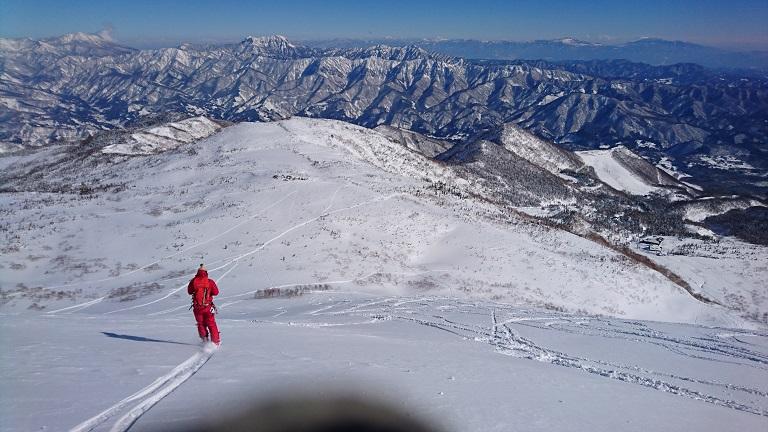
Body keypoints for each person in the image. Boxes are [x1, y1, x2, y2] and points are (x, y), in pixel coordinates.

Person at [188, 264, 220, 345]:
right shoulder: (210, 282)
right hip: (208, 306)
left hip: (197, 307)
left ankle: (204, 340)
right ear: (206, 272)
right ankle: (215, 342)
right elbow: (216, 292)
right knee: (211, 324)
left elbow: (189, 292)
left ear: (198, 272)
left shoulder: (193, 281)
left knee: (201, 324)